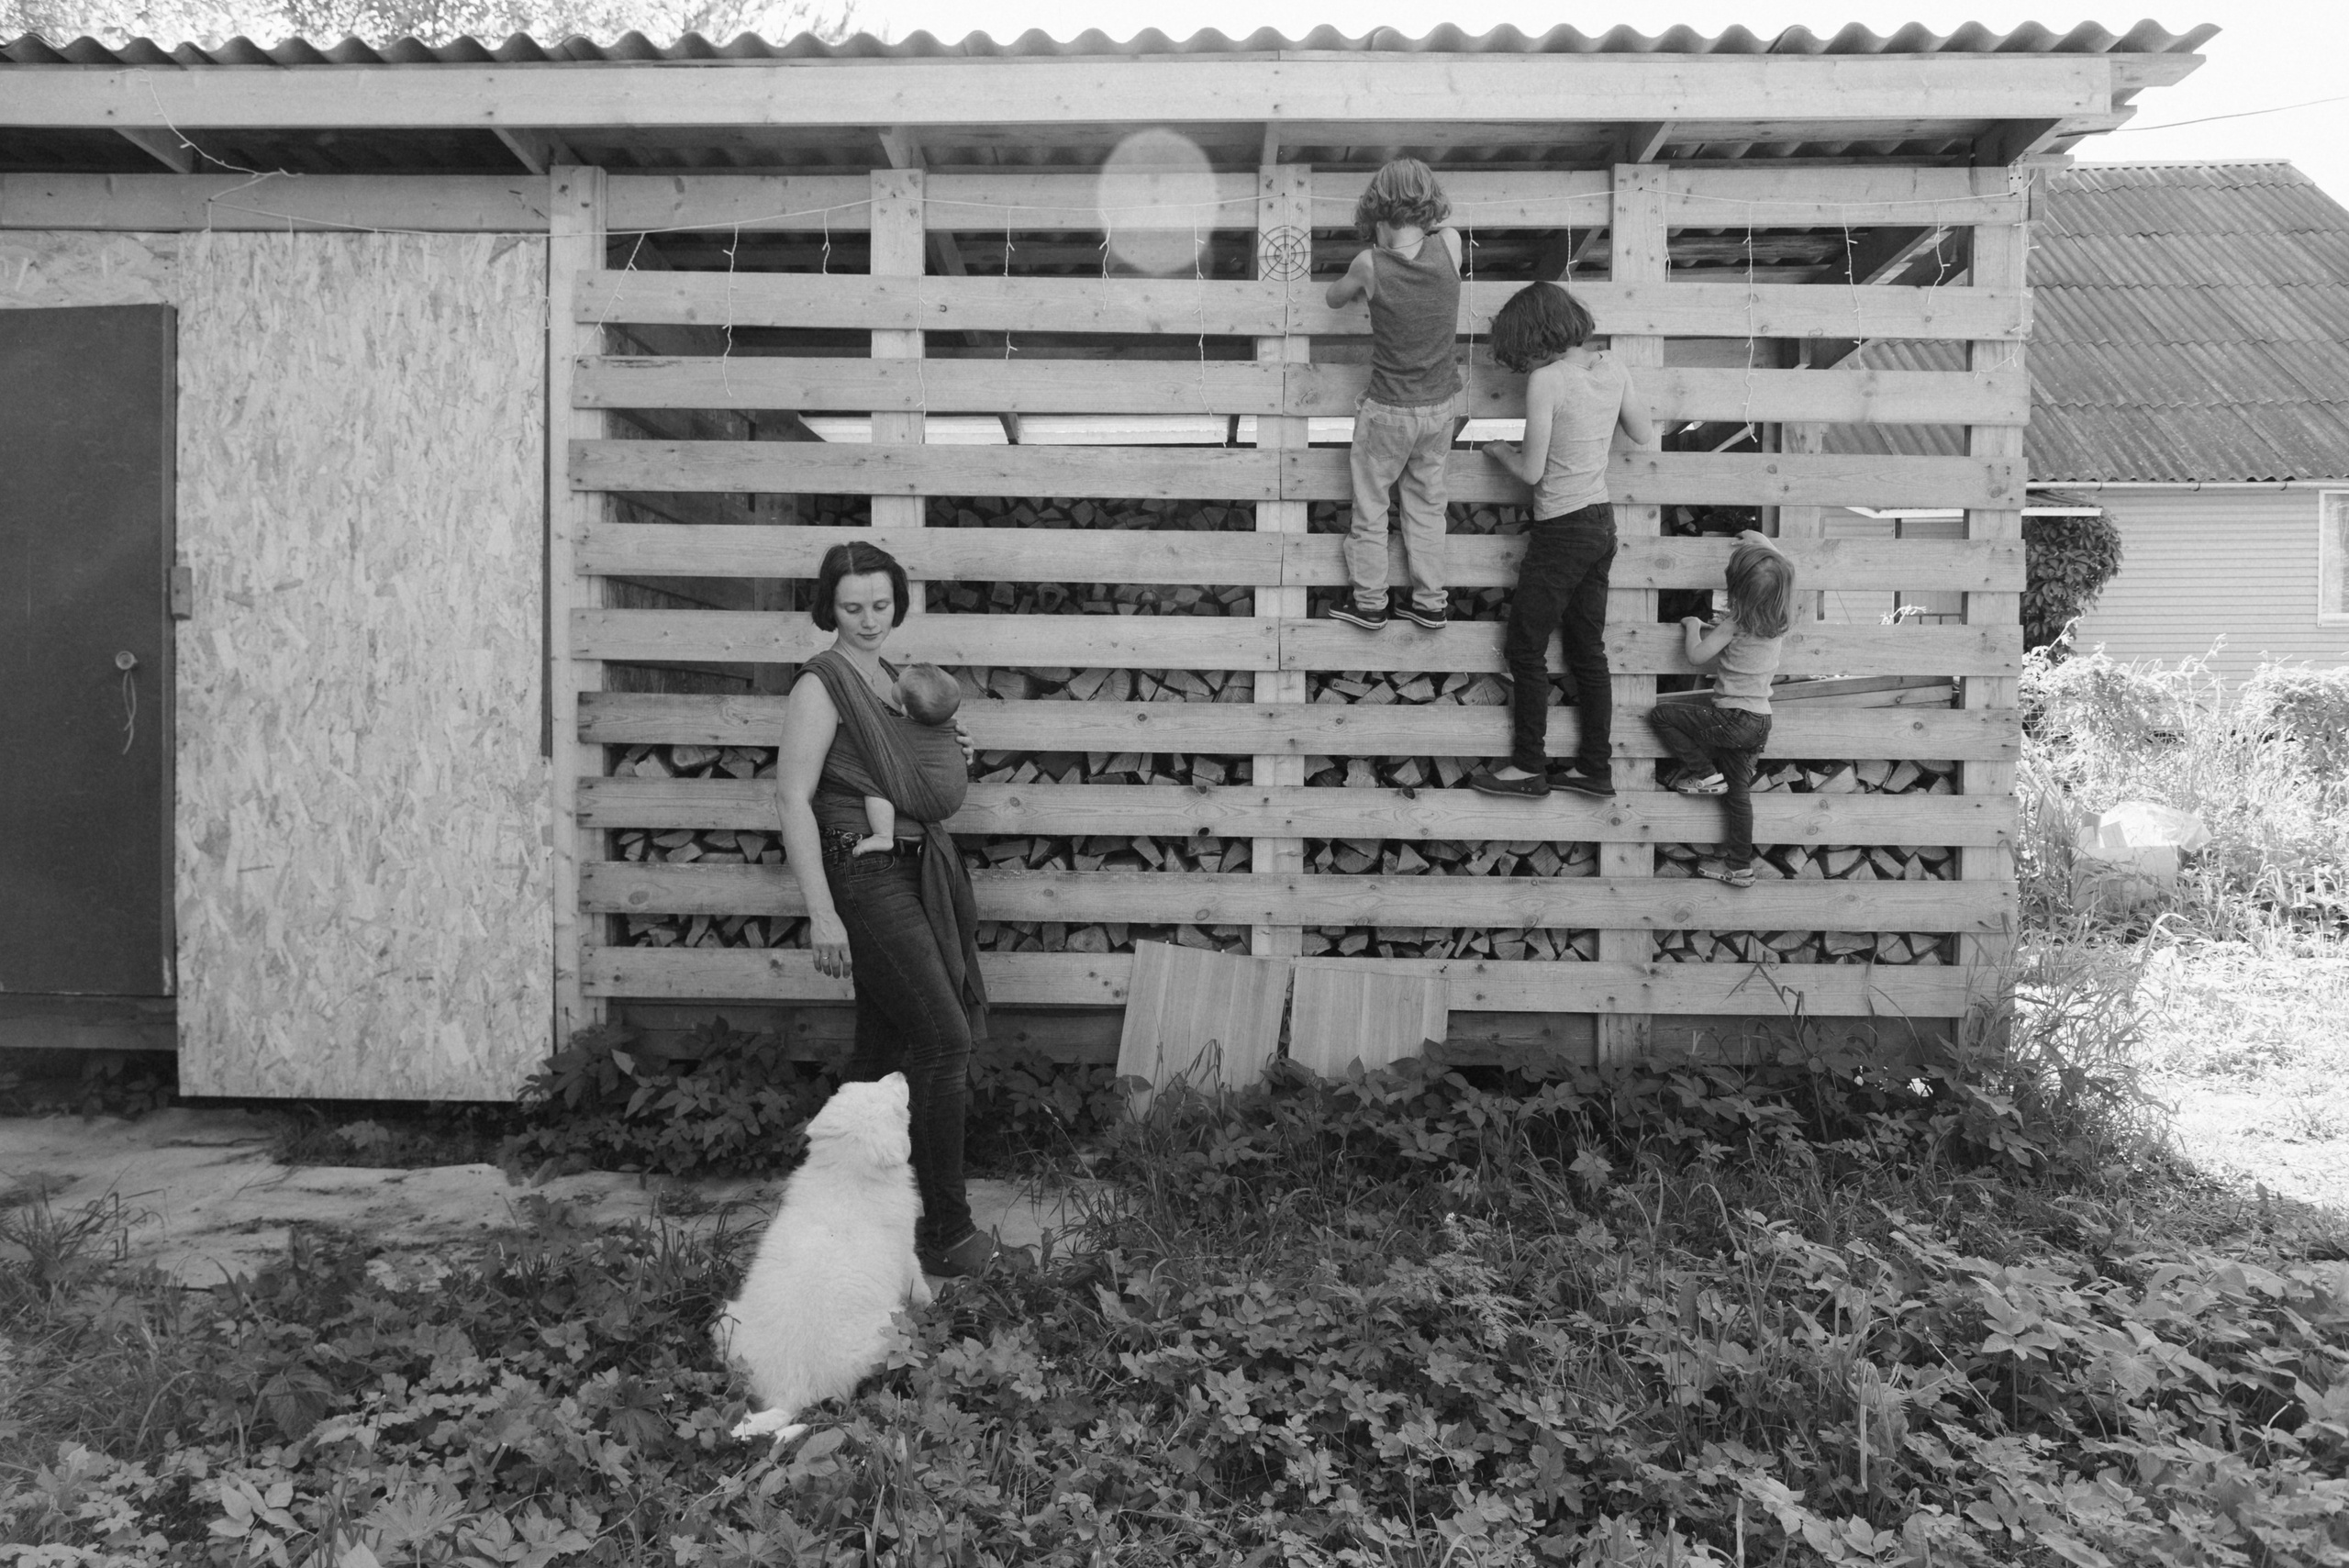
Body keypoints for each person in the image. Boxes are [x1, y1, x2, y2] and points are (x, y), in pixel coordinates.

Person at [774, 542, 998, 1278]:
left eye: (879, 605)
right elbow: (793, 797)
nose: (868, 621)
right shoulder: (823, 684)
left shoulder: (895, 681)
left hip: (911, 865)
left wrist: (947, 746)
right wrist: (822, 912)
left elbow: (907, 762)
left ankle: (836, 1218)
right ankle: (948, 1232)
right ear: (827, 608)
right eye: (851, 607)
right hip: (862, 875)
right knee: (944, 1038)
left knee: (879, 1055)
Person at [1471, 280, 1655, 800]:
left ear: (1535, 336)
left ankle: (1528, 766)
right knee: (1587, 651)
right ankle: (1594, 769)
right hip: (1601, 523)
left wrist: (1497, 451)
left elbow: (1531, 472)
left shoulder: (1548, 380)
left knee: (1525, 648)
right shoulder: (1613, 366)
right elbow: (1642, 433)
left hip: (1562, 527)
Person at [1324, 157, 1463, 633]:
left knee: (1371, 507)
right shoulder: (1450, 245)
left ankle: (1369, 603)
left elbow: (1333, 298)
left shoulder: (1369, 265)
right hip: (1440, 408)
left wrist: (1368, 267)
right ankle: (1429, 603)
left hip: (1387, 411)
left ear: (1376, 208)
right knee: (1427, 507)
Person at [1646, 531, 1797, 889]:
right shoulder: (1782, 618)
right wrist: (1761, 540)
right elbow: (1785, 569)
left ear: (1737, 590)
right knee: (1739, 795)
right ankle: (1740, 867)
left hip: (1732, 717)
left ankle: (1705, 774)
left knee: (1662, 716)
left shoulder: (1735, 624)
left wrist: (1693, 627)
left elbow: (1696, 656)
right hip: (1760, 720)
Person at [851, 662, 962, 857]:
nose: (895, 680)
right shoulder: (946, 725)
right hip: (952, 794)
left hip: (932, 792)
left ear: (904, 711)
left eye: (898, 684)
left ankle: (883, 835)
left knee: (875, 784)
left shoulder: (900, 729)